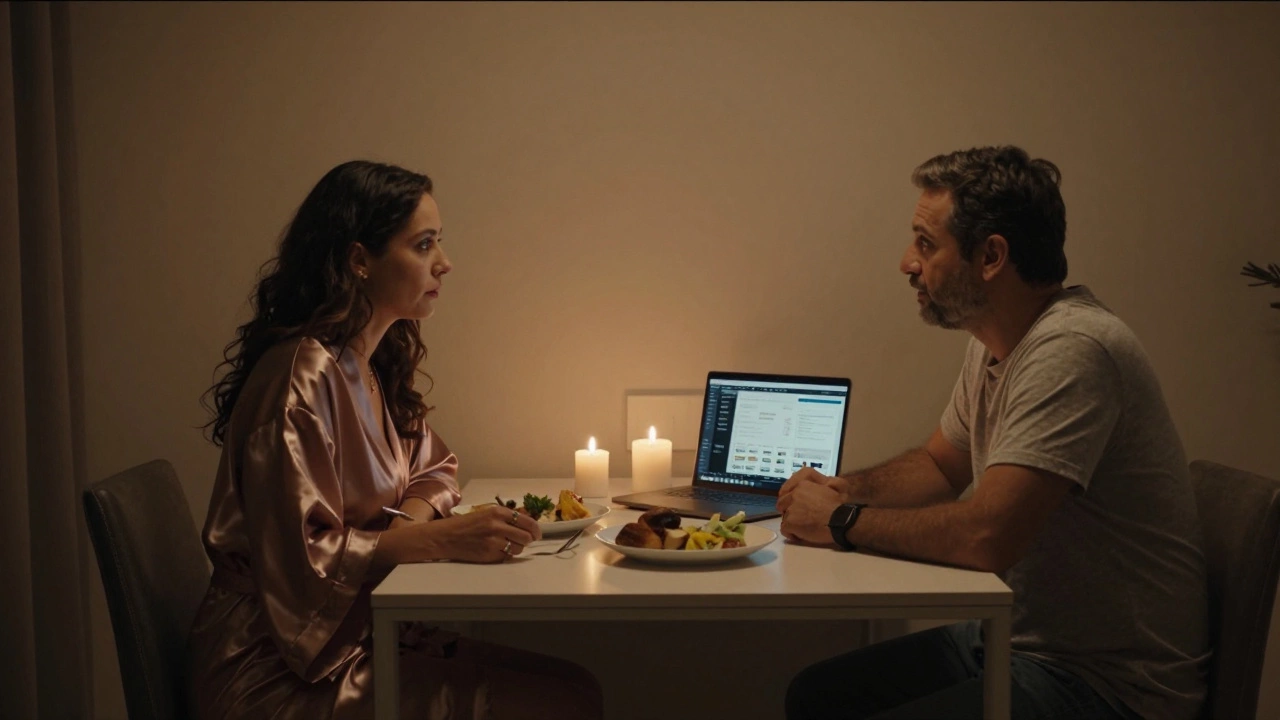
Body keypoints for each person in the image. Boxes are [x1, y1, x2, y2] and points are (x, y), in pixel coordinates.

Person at [780, 146, 1210, 720]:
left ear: (991, 256)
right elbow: (939, 467)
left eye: (926, 244)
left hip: (1111, 687)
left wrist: (839, 522)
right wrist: (840, 490)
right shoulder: (993, 340)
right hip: (1020, 647)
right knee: (817, 696)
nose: (907, 262)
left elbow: (988, 537)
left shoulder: (1073, 350)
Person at [190, 160, 604, 720]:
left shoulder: (363, 364)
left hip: (349, 637)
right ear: (359, 260)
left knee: (575, 684)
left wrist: (409, 528)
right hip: (273, 670)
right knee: (561, 703)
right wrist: (438, 541)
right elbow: (302, 564)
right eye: (424, 244)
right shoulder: (300, 380)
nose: (445, 263)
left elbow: (433, 467)